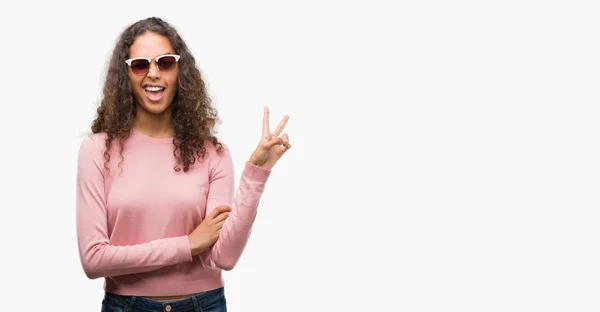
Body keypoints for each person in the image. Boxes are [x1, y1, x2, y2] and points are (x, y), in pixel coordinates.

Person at [75, 17, 291, 312]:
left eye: (165, 62)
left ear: (180, 70)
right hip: (125, 306)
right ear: (126, 75)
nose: (153, 74)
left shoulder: (212, 153)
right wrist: (187, 245)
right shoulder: (97, 150)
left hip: (204, 304)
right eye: (140, 64)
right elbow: (93, 259)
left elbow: (224, 257)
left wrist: (256, 175)